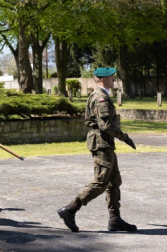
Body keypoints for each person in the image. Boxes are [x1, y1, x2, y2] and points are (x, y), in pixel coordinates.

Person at [57, 67, 138, 233]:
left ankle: (115, 219)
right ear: (102, 80)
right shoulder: (101, 98)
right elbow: (106, 125)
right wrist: (124, 137)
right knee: (101, 181)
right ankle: (70, 209)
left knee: (114, 181)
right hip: (102, 144)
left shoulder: (97, 95)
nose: (113, 80)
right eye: (111, 77)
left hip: (104, 144)